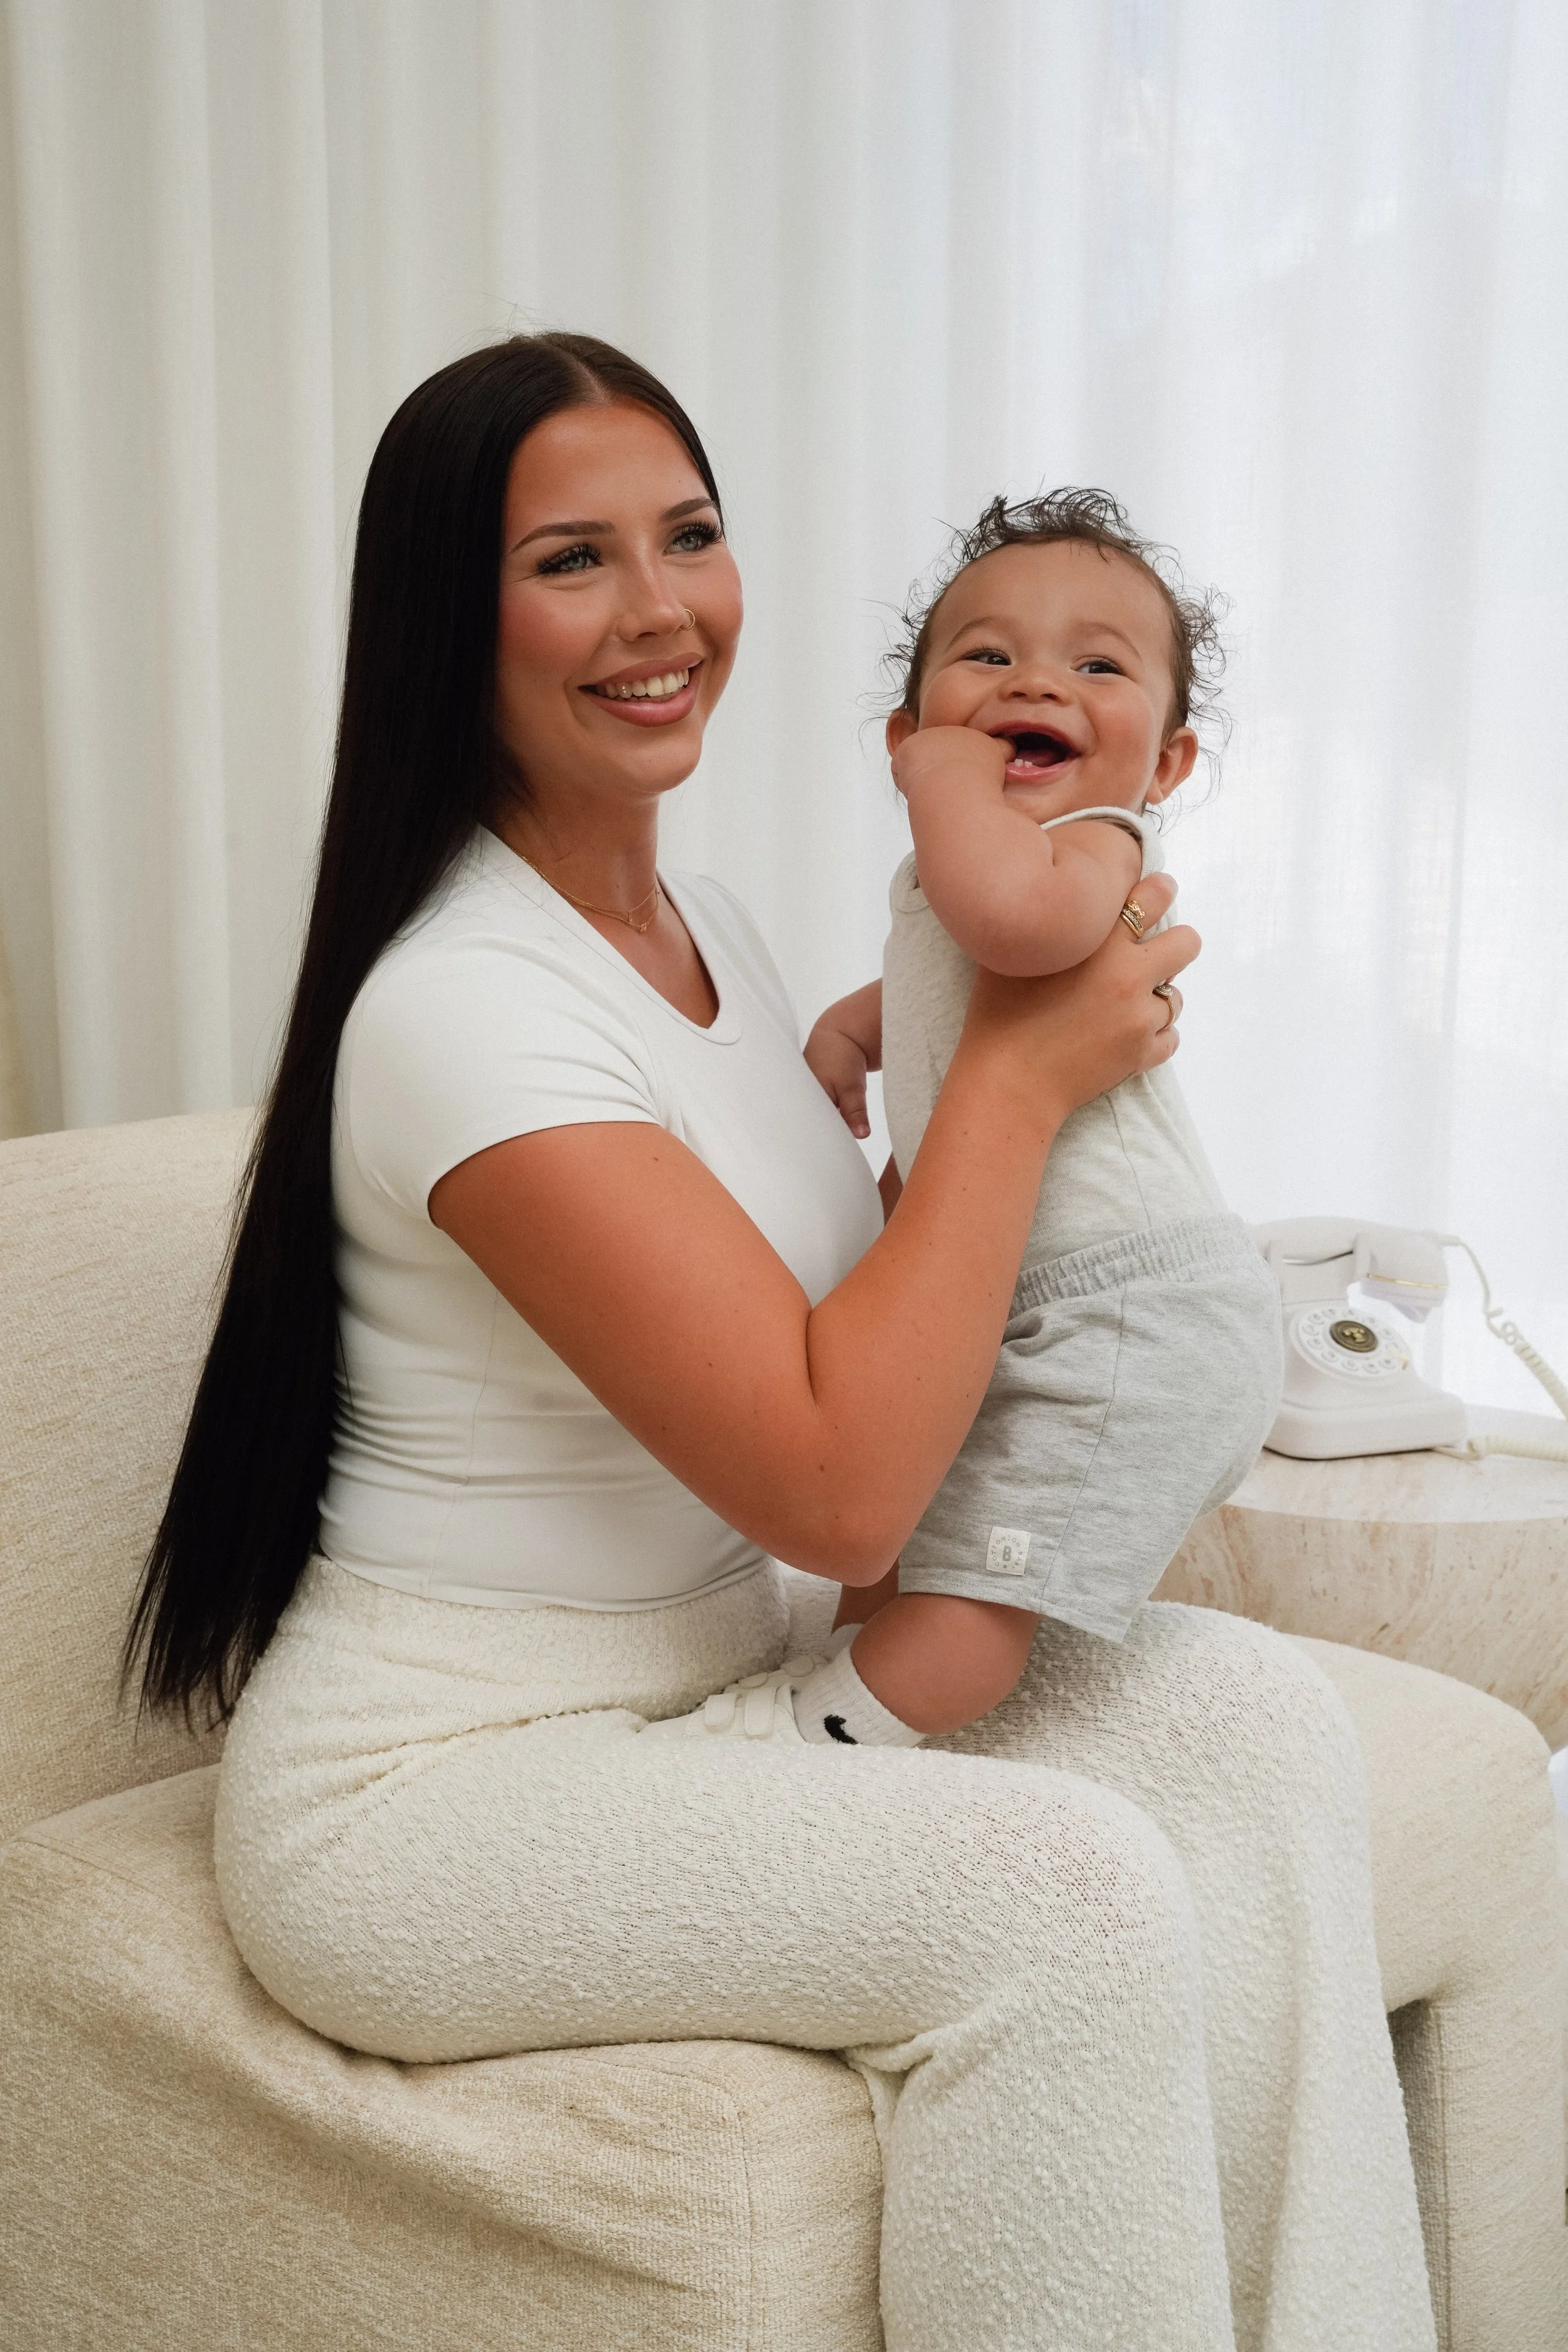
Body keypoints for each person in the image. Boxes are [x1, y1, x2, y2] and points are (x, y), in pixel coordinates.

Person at [127, 332, 1434, 2352]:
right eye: (572, 559)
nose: (659, 611)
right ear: (443, 624)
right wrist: (1014, 1077)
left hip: (718, 1680)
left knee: (1260, 1734)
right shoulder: (459, 1006)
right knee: (1064, 1898)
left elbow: (872, 1325)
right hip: (438, 1793)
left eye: (692, 535)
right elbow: (833, 1479)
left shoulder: (717, 935)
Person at [761, 493, 1283, 1752]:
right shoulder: (982, 869)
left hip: (1126, 1313)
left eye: (1095, 665)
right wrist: (855, 1027)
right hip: (1028, 1297)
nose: (1034, 677)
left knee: (978, 1593)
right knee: (901, 1523)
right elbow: (961, 975)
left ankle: (806, 1746)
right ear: (902, 724)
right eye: (986, 655)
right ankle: (834, 1678)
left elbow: (1016, 930)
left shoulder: (1096, 842)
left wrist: (940, 781)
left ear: (1162, 763)